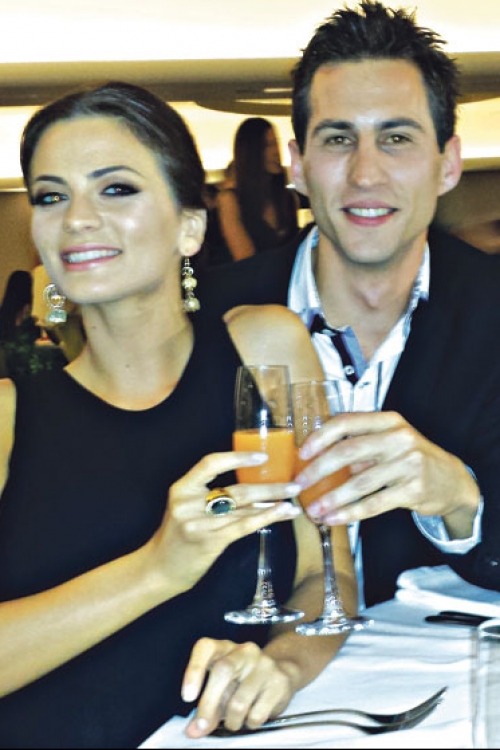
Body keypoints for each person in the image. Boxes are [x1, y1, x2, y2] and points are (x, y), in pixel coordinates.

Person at [0, 80, 357, 748]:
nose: (76, 218)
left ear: (190, 226)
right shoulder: (9, 417)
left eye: (115, 188)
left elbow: (327, 572)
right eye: (51, 196)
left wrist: (281, 665)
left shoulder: (266, 350)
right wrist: (157, 568)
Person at [199, 1, 500, 608]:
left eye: (396, 138)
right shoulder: (207, 317)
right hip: (249, 657)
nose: (365, 174)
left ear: (448, 164)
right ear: (298, 166)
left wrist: (460, 499)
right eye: (339, 139)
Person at [217, 117, 300, 260]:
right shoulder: (230, 200)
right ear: (251, 153)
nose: (276, 152)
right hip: (250, 273)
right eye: (267, 146)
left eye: (276, 144)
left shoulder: (287, 199)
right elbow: (246, 260)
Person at [0, 268, 67, 379]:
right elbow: (56, 341)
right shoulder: (33, 313)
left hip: (6, 368)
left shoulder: (5, 313)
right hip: (28, 367)